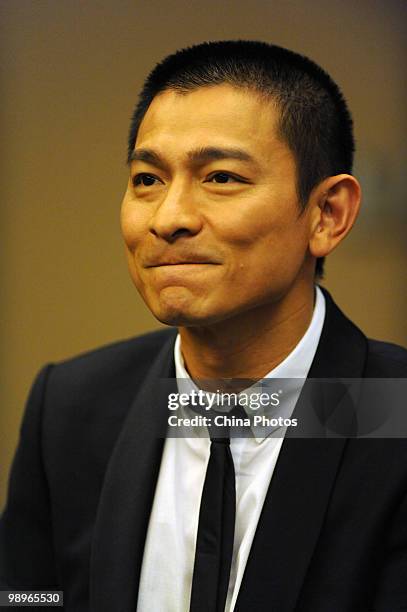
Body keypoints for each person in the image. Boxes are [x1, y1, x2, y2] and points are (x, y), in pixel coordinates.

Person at [1, 40, 407, 612]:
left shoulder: (392, 411)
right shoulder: (75, 406)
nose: (168, 218)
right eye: (147, 179)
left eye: (219, 177)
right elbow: (28, 594)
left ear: (326, 215)